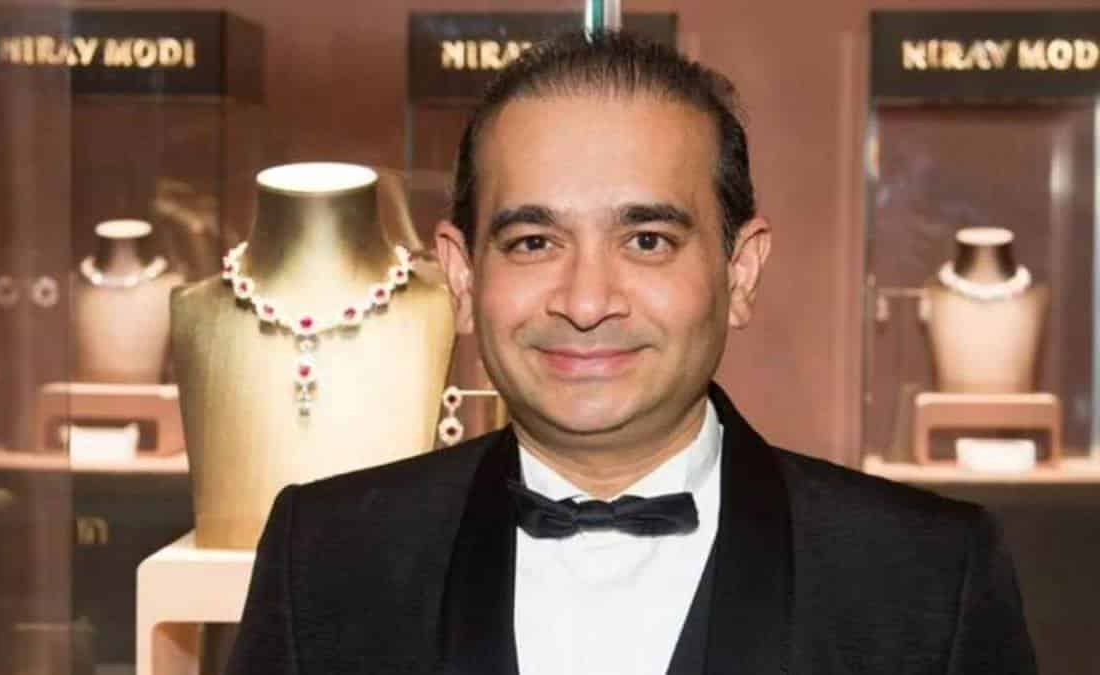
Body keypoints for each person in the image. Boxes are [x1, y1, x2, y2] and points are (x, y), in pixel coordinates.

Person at [225, 31, 1035, 675]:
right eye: (534, 241)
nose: (586, 302)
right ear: (464, 277)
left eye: (647, 240)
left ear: (740, 271)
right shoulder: (324, 557)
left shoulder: (928, 577)